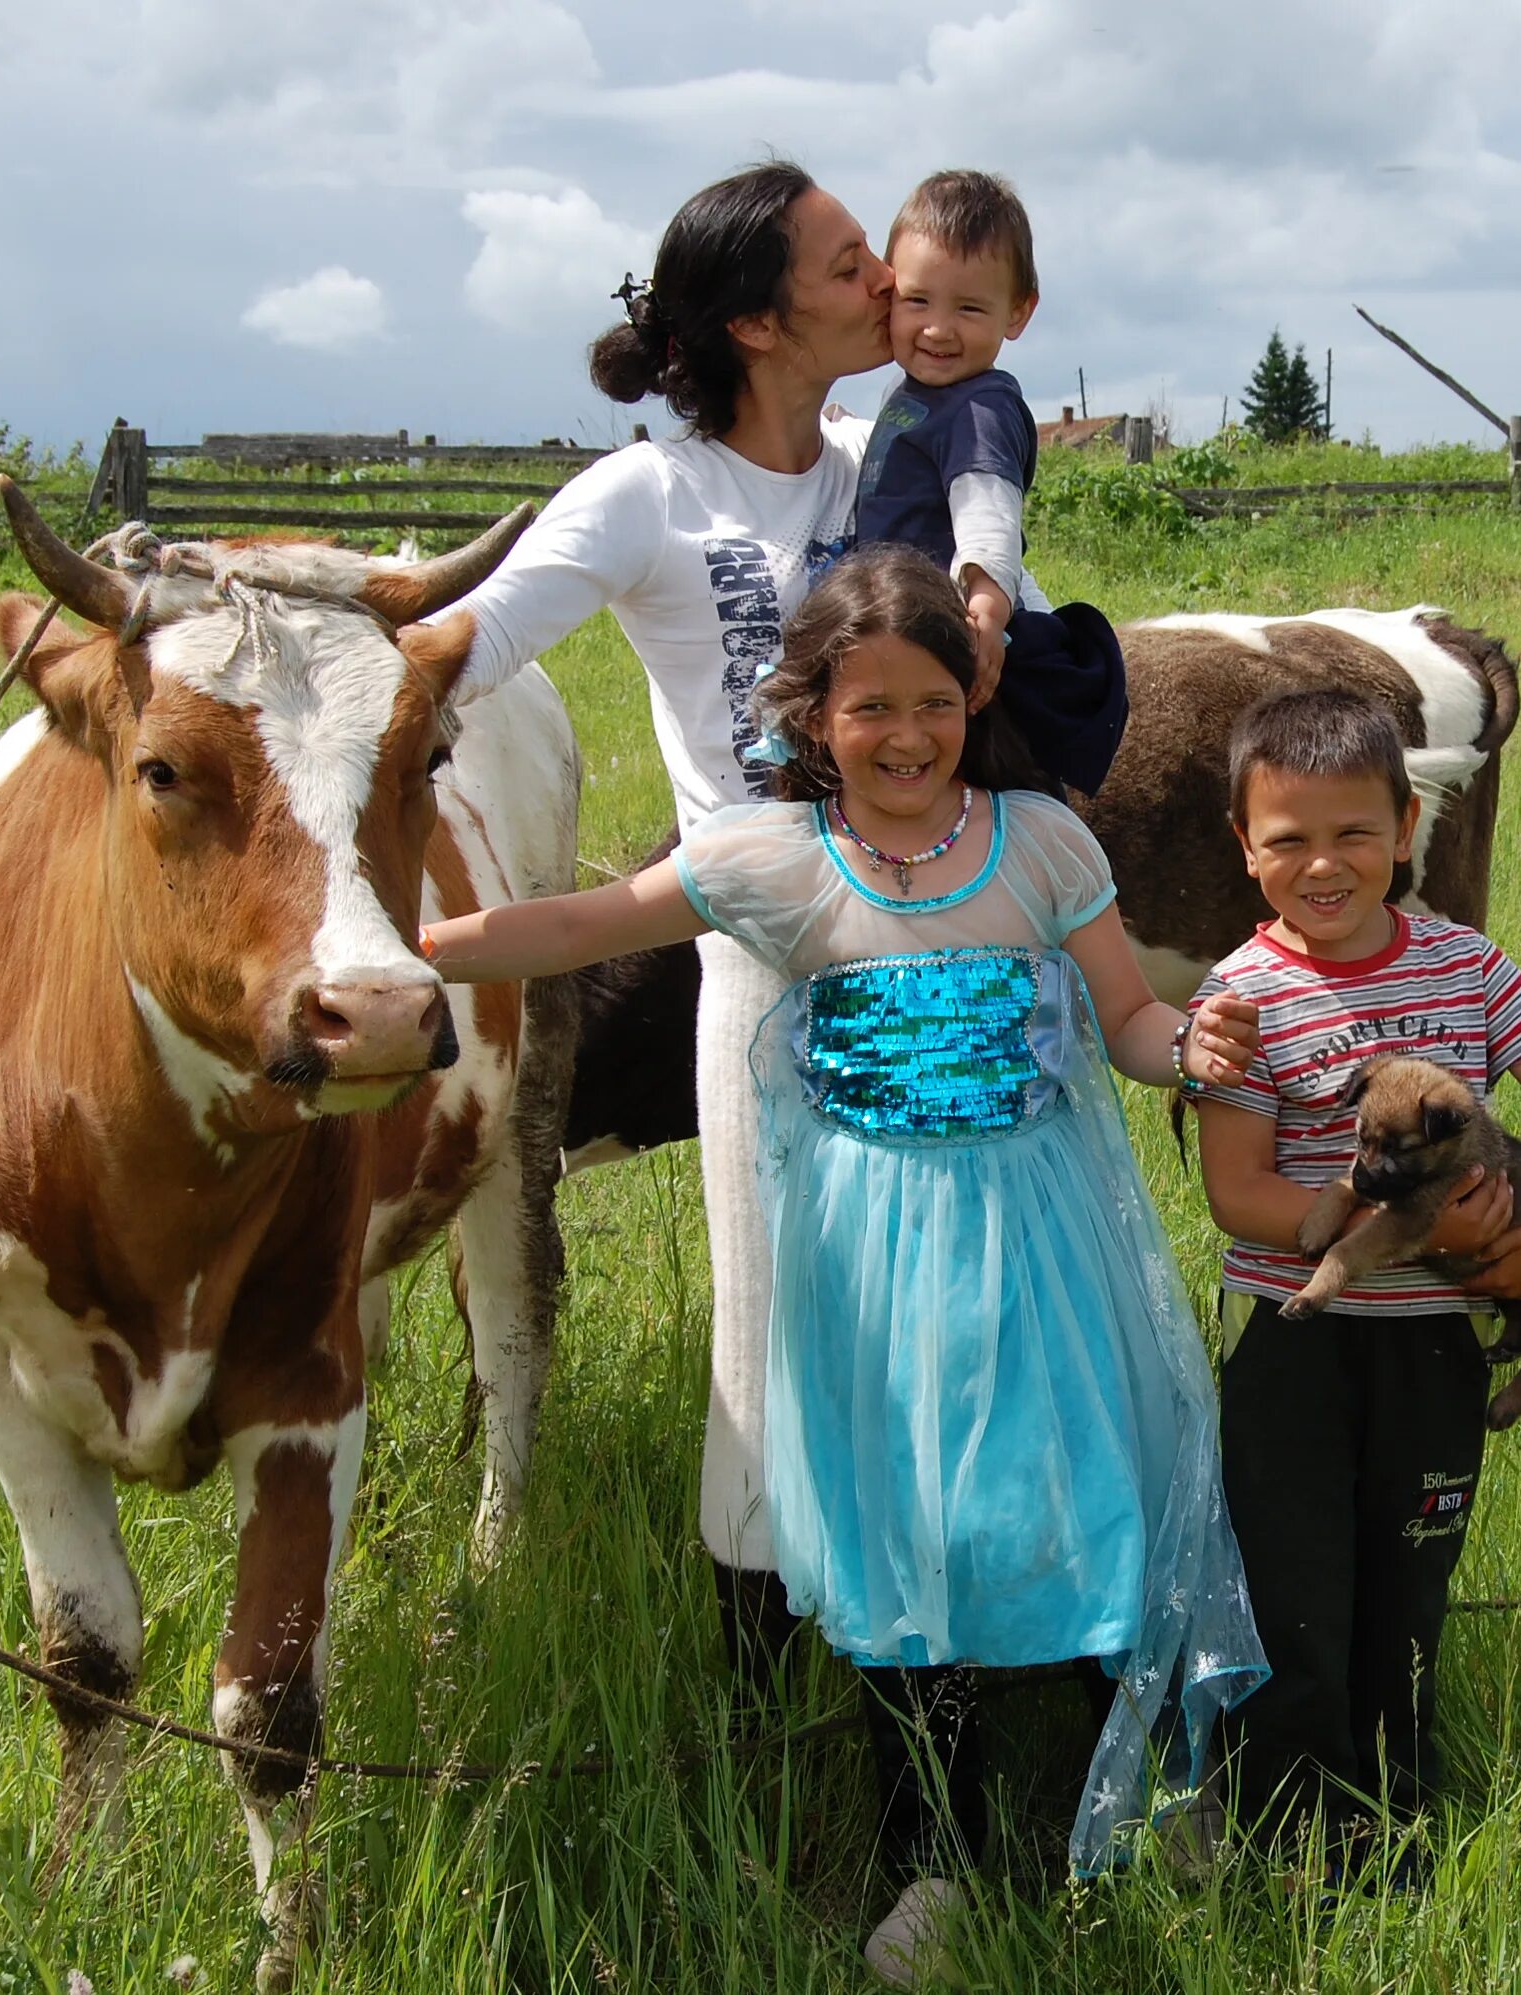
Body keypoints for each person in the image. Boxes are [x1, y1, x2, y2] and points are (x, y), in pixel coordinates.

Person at [421, 548, 1269, 1979]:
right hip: (865, 1257)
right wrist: (413, 938)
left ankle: (1133, 1797)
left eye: (935, 700)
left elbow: (1128, 1018)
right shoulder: (769, 859)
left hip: (1038, 1237)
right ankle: (931, 1850)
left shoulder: (1044, 843)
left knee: (1069, 1493)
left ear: (971, 700)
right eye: (869, 703)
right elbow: (586, 922)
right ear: (812, 713)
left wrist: (1193, 1048)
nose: (906, 733)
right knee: (902, 1540)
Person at [428, 161, 1111, 1681]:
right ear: (755, 318)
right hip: (765, 942)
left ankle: (976, 1660)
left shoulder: (898, 452)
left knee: (967, 1322)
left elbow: (1005, 643)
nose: (890, 281)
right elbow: (468, 647)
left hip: (952, 941)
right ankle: (760, 1701)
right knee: (769, 1329)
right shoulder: (648, 494)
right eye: (850, 260)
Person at [1189, 689, 1521, 1874]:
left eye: (1354, 835)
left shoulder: (1469, 967)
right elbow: (1238, 1195)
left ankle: (1390, 1828)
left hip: (1433, 1352)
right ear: (1243, 846)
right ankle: (1280, 1834)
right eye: (1287, 840)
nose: (1322, 865)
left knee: (1407, 1591)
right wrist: (1392, 1229)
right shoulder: (1239, 996)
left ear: (1408, 830)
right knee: (1294, 1593)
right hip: (1293, 1345)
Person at [855, 168, 1128, 792]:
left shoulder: (980, 409)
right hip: (917, 627)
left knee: (993, 780)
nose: (937, 329)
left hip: (962, 635)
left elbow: (987, 511)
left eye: (969, 308)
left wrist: (984, 608)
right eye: (917, 300)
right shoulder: (916, 394)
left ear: (1018, 312)